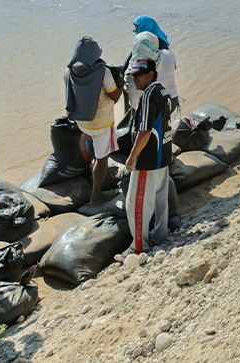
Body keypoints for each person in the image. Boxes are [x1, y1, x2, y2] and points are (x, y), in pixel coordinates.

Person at [115, 59, 173, 262]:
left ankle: (138, 247)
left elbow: (144, 131)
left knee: (136, 205)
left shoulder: (148, 95)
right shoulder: (164, 91)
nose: (134, 79)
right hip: (163, 156)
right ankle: (161, 236)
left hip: (148, 160)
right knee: (159, 200)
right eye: (132, 75)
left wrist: (131, 160)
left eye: (138, 75)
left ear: (151, 74)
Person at [65, 36, 123, 205]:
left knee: (95, 150)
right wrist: (119, 83)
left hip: (82, 121)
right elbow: (115, 96)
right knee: (103, 158)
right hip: (102, 123)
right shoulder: (102, 71)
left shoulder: (68, 72)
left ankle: (93, 175)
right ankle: (96, 196)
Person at [124, 32, 180, 113]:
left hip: (144, 109)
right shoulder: (168, 55)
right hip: (171, 101)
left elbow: (128, 89)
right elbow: (173, 67)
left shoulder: (131, 70)